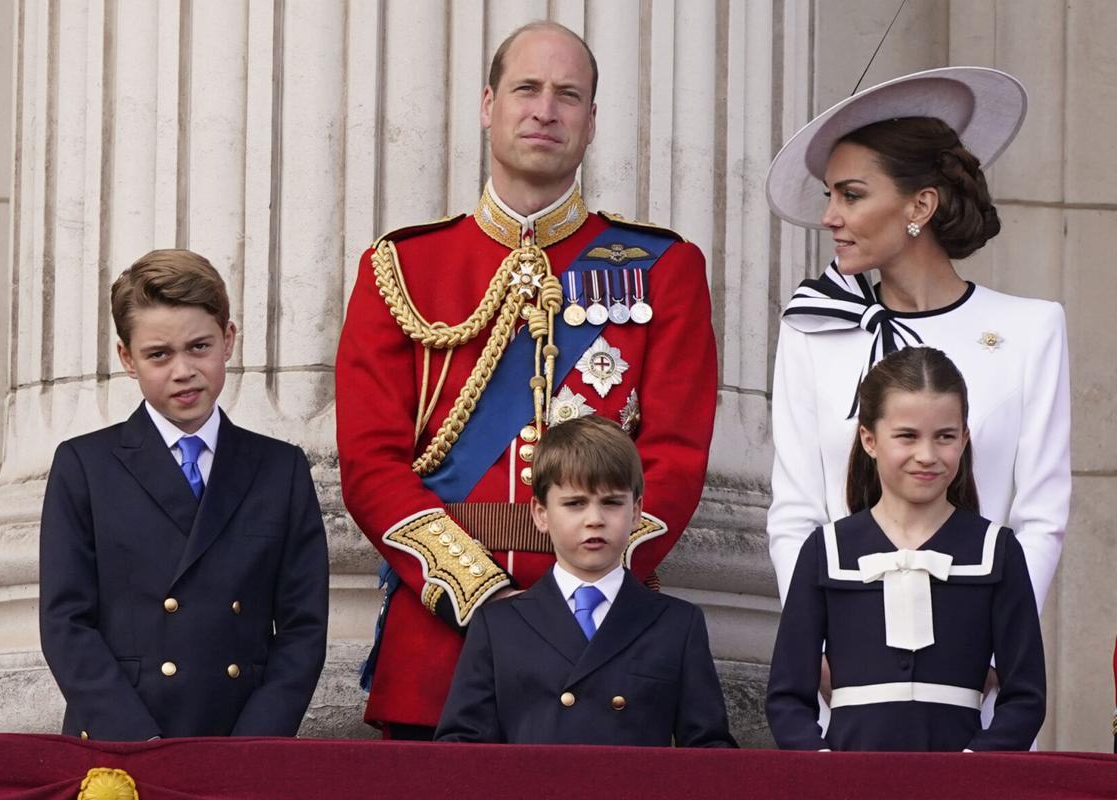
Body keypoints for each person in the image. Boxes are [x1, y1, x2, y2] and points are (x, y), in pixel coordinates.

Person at [335, 21, 717, 738]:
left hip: (606, 648)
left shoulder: (664, 268)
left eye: (569, 94)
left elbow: (676, 456)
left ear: (592, 121)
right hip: (440, 645)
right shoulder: (401, 269)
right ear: (488, 104)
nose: (546, 109)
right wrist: (478, 594)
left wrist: (585, 590)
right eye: (527, 89)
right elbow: (369, 464)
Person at [764, 67, 1070, 622]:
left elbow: (1041, 517)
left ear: (919, 206)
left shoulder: (1031, 329)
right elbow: (794, 514)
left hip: (977, 655)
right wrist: (818, 644)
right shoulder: (812, 328)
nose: (830, 216)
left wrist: (1001, 641)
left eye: (851, 195)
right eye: (828, 195)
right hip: (847, 657)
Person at [39, 250, 329, 740]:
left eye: (199, 347)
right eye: (159, 354)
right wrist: (135, 742)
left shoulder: (281, 469)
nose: (183, 370)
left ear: (228, 340)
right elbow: (66, 623)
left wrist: (253, 745)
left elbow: (303, 627)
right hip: (122, 740)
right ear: (127, 359)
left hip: (240, 741)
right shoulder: (84, 466)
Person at [766, 346, 1045, 751]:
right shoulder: (825, 549)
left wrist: (976, 766)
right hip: (848, 781)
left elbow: (1025, 696)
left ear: (964, 438)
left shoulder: (997, 550)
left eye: (945, 437)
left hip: (961, 781)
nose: (927, 455)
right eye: (907, 436)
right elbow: (788, 695)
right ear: (869, 439)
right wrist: (821, 763)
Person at [435, 416, 736, 747]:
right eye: (575, 504)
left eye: (611, 502)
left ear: (636, 512)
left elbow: (710, 753)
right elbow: (461, 752)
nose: (594, 520)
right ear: (541, 514)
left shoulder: (677, 624)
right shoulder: (498, 624)